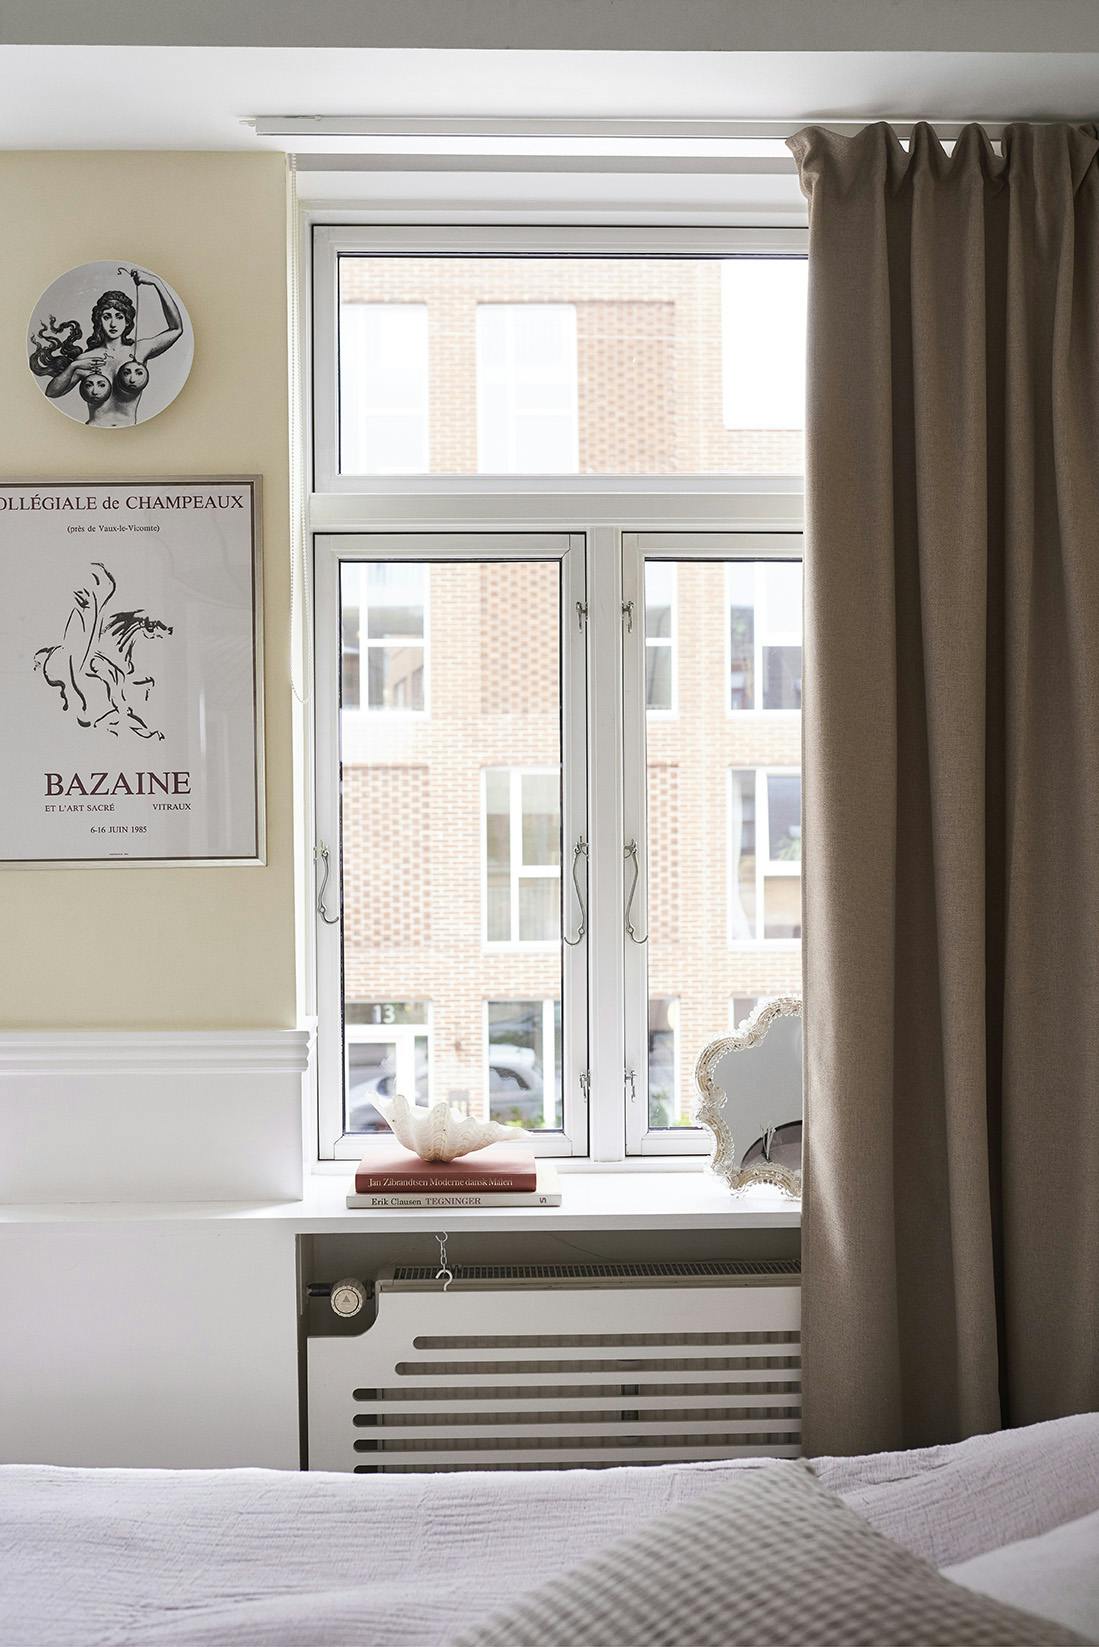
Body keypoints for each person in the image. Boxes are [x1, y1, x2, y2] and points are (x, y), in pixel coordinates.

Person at [40, 270, 183, 427]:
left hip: (131, 431)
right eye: (107, 317)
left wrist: (156, 282)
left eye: (119, 317)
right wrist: (73, 366)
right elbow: (51, 393)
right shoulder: (87, 359)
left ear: (127, 322)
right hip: (93, 430)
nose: (113, 324)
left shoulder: (139, 350)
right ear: (99, 321)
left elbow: (176, 329)